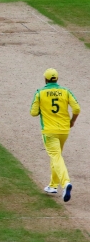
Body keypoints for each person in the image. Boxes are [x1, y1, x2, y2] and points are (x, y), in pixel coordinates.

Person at [31, 68, 80, 201]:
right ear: (57, 79)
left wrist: (43, 108)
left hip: (49, 131)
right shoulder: (65, 91)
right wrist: (72, 121)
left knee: (56, 157)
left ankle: (65, 183)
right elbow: (77, 108)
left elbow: (33, 112)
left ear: (45, 79)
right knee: (56, 156)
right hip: (64, 130)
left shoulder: (40, 93)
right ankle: (53, 185)